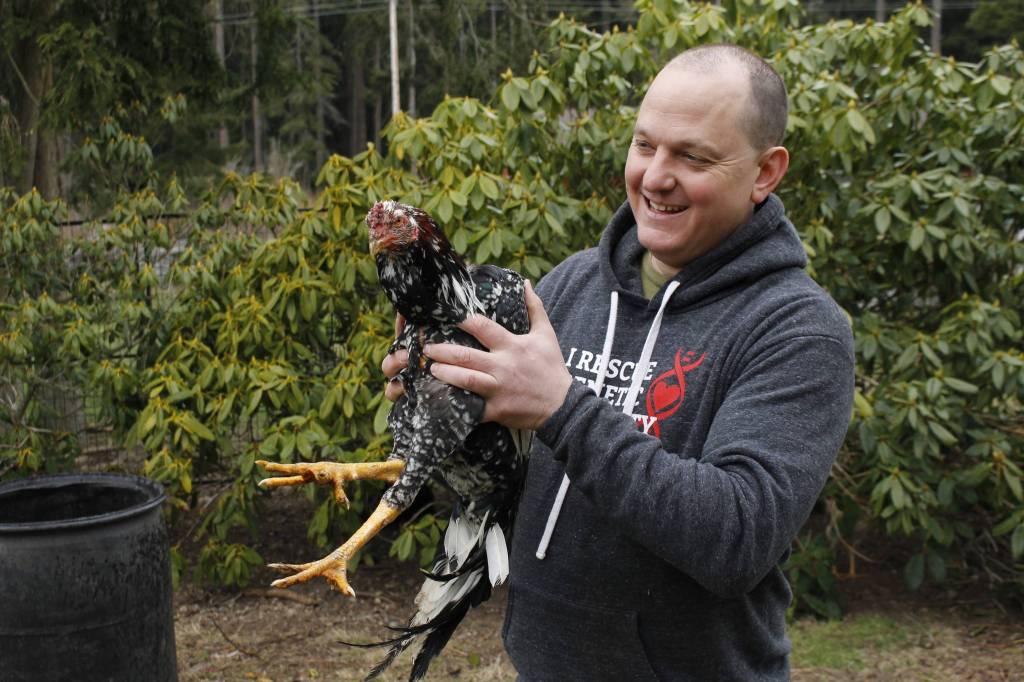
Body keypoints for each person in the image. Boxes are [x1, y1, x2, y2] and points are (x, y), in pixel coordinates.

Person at [383, 44, 855, 681]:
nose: (656, 176)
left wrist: (562, 408)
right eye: (644, 145)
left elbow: (736, 538)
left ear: (765, 172)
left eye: (693, 156)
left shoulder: (797, 329)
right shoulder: (571, 286)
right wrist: (446, 404)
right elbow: (514, 478)